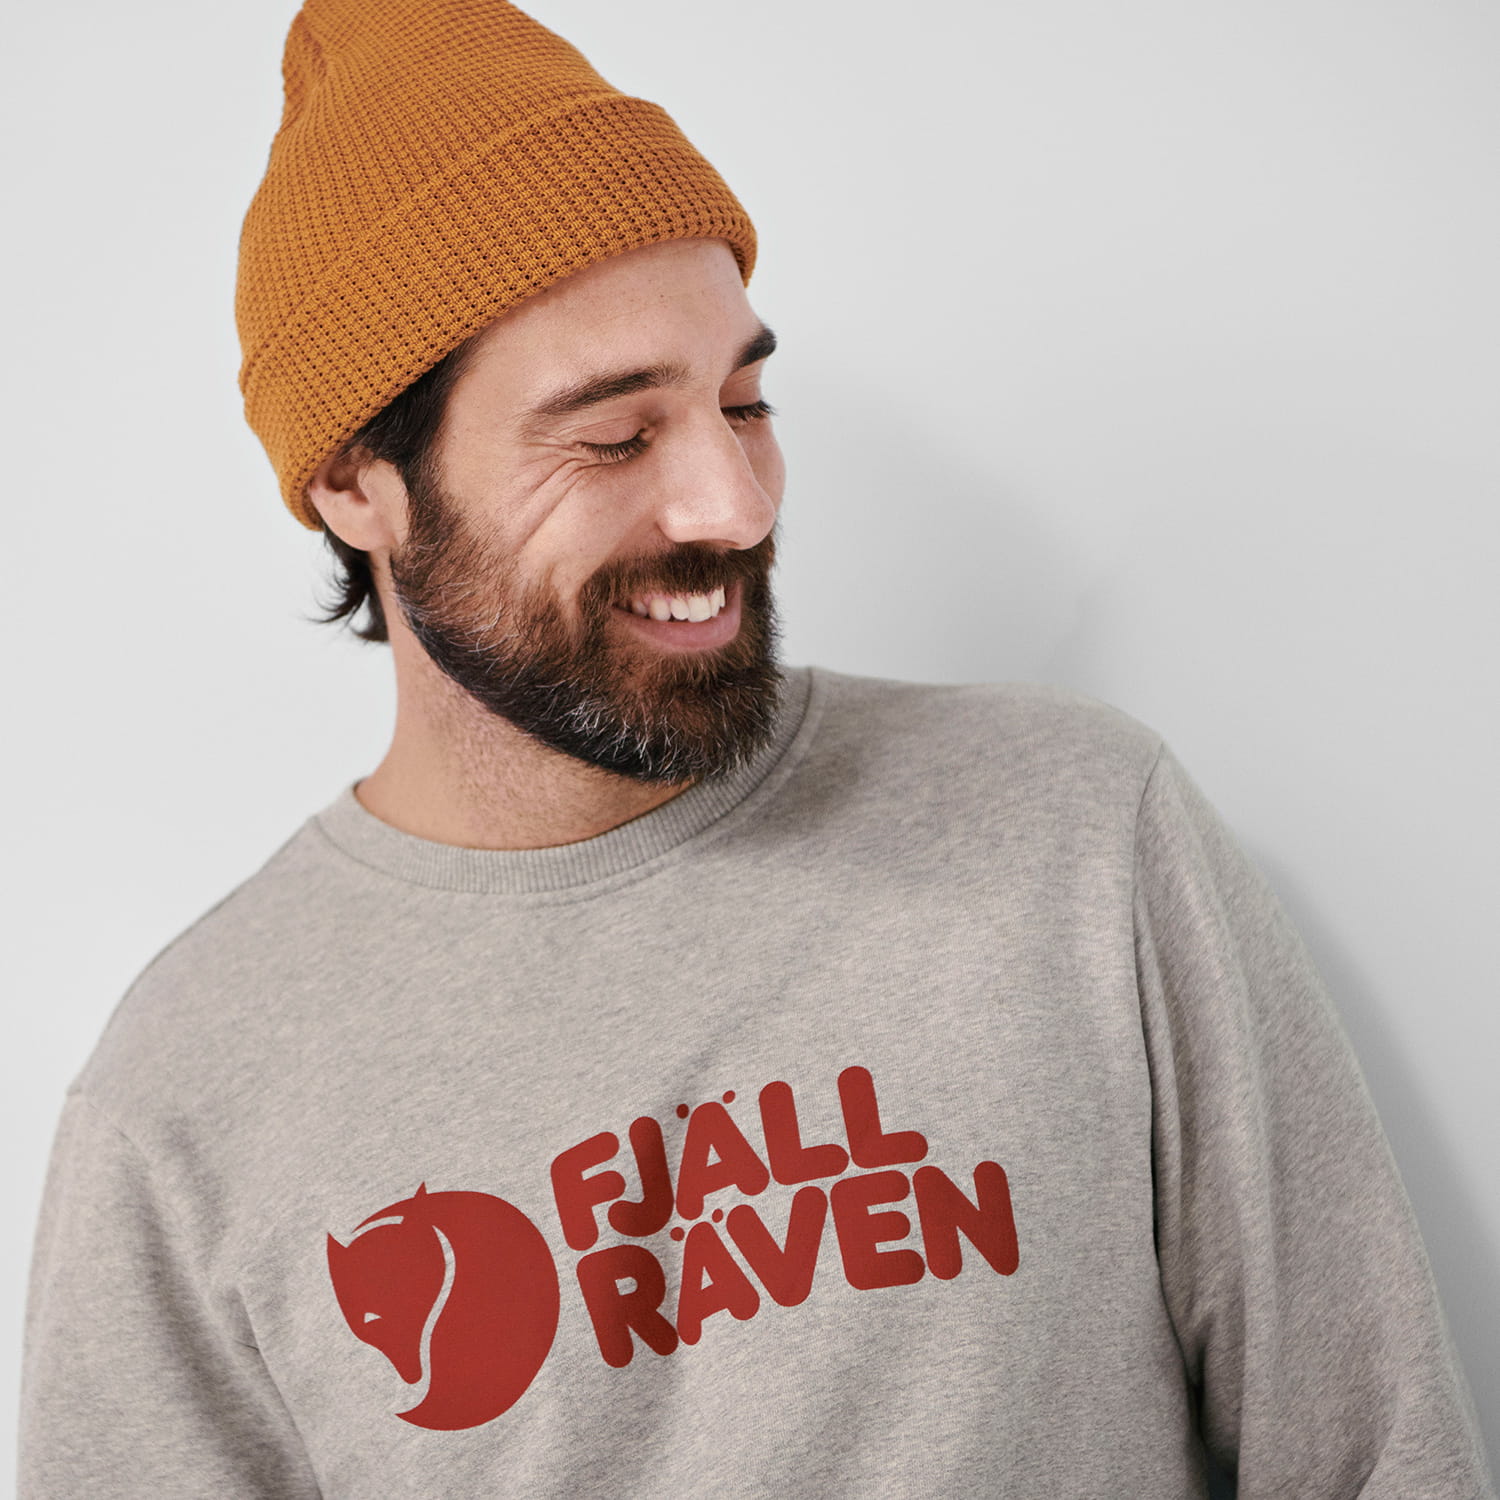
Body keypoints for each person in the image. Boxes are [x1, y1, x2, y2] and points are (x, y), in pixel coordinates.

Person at [18, 1, 1495, 1496]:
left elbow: (1380, 1458)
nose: (732, 503)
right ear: (359, 486)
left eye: (744, 401)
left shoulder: (1075, 834)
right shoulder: (183, 1107)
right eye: (614, 437)